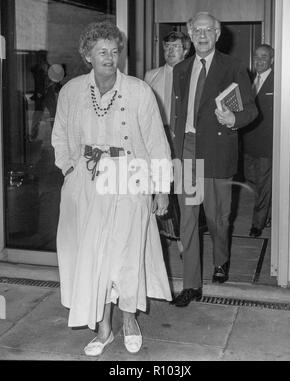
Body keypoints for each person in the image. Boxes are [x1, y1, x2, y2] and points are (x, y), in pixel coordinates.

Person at [51, 21, 172, 356]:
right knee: (95, 255)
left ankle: (130, 319)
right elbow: (60, 136)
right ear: (87, 55)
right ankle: (104, 328)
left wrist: (161, 189)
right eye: (101, 51)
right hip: (86, 182)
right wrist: (70, 168)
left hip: (130, 175)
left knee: (128, 253)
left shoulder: (139, 90)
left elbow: (157, 143)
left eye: (114, 50)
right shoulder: (72, 90)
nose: (109, 56)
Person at [171, 12, 257, 307]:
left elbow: (252, 111)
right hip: (189, 150)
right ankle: (191, 284)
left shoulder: (233, 67)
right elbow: (177, 114)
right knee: (189, 218)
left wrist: (234, 118)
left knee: (218, 218)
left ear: (218, 34)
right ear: (190, 34)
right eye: (197, 30)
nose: (203, 35)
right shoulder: (181, 69)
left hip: (218, 151)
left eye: (209, 30)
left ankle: (221, 260)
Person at [145, 31, 191, 246]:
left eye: (175, 47)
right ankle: (165, 232)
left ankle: (184, 236)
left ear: (186, 50)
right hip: (158, 136)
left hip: (184, 138)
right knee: (161, 185)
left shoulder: (194, 74)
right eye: (166, 47)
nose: (170, 51)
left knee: (182, 188)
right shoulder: (150, 76)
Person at [242, 44, 274, 237]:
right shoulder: (250, 80)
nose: (260, 60)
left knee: (263, 185)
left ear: (271, 60)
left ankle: (257, 224)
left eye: (264, 57)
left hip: (267, 144)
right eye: (257, 56)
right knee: (251, 181)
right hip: (249, 142)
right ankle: (267, 213)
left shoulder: (278, 81)